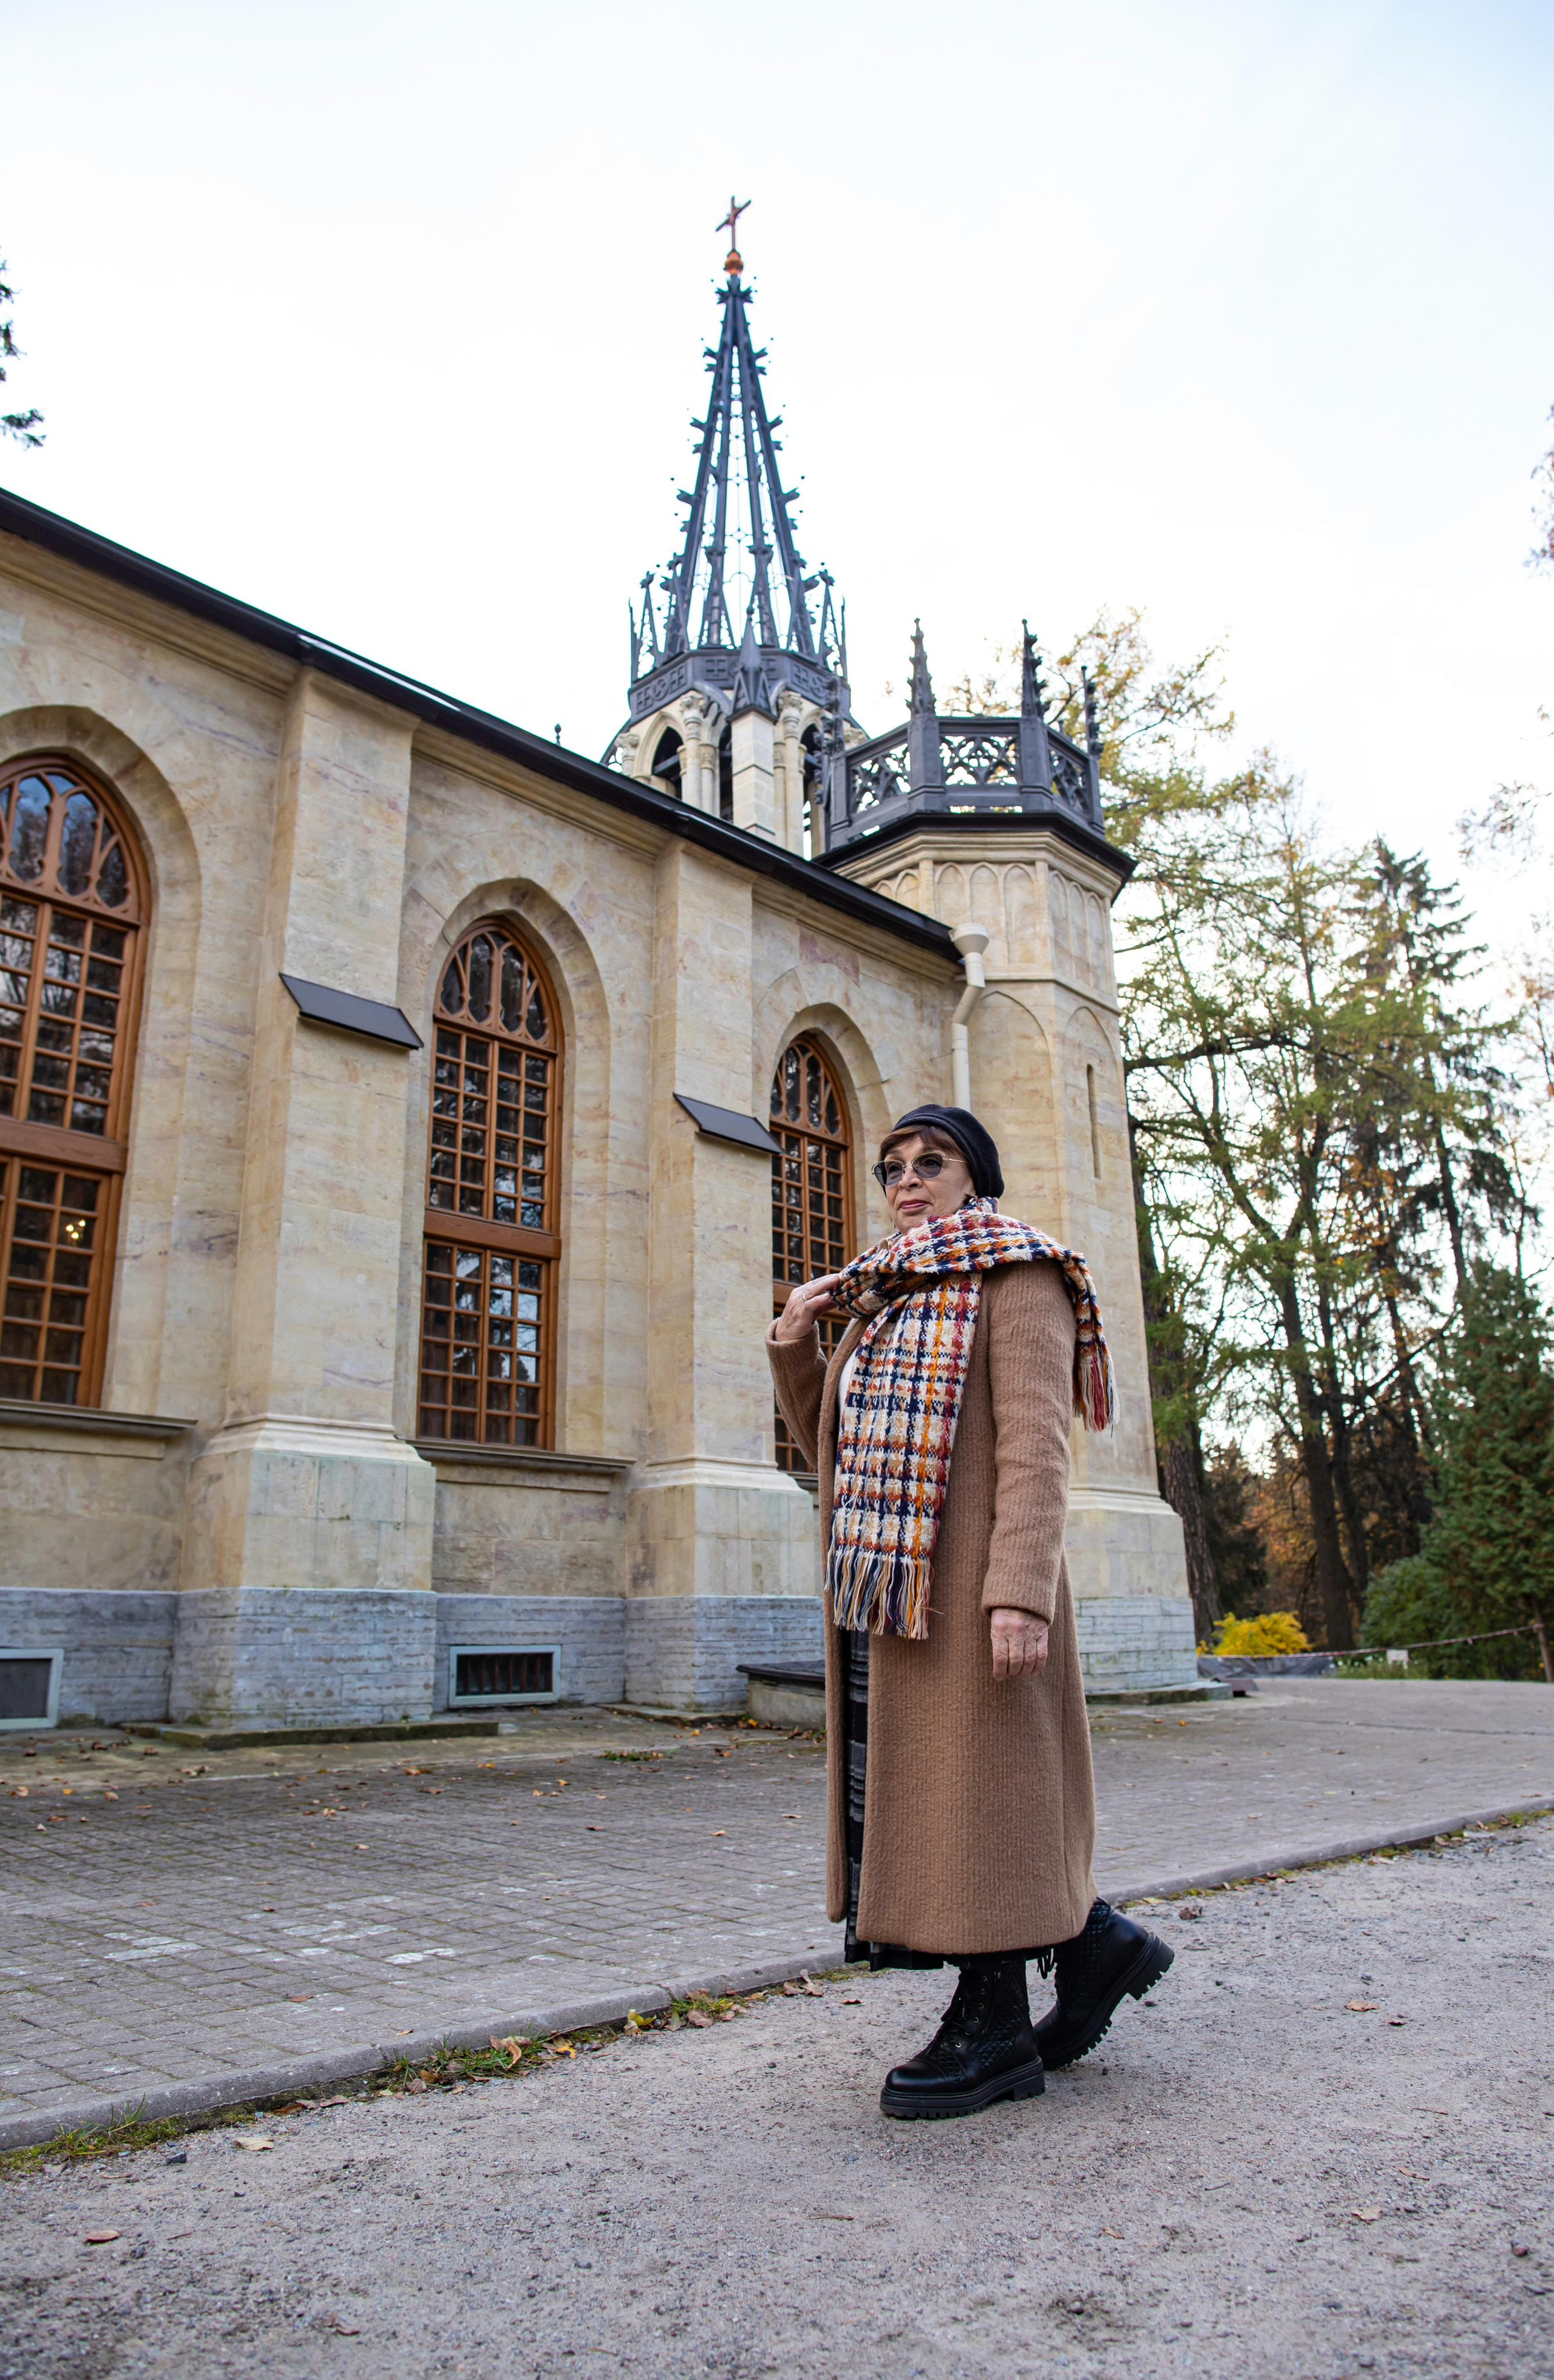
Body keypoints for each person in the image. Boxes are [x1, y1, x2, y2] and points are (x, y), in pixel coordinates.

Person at [767, 1103, 1172, 2120]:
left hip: (978, 1592)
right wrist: (795, 1345)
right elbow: (833, 1455)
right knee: (948, 1799)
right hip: (893, 1591)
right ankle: (1094, 1944)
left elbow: (1038, 1447)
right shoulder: (883, 1295)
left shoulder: (1021, 1275)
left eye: (931, 1162)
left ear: (974, 1177)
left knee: (984, 1799)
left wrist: (1020, 1595)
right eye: (892, 1167)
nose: (908, 1181)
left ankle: (992, 2027)